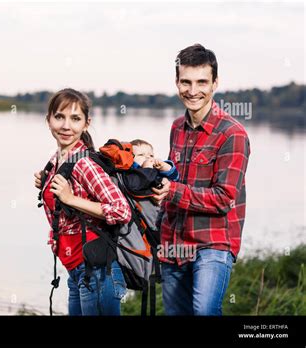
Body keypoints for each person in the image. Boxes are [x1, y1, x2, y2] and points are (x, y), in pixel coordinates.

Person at [151, 44, 251, 316]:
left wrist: (172, 192)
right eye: (186, 82)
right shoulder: (176, 128)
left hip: (213, 243)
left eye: (201, 82)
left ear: (215, 83)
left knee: (205, 312)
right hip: (174, 243)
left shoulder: (233, 134)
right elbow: (174, 182)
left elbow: (224, 199)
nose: (193, 91)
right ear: (177, 82)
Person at [34, 88, 132, 316]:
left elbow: (121, 211)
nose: (66, 126)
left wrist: (71, 198)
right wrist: (45, 182)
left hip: (98, 274)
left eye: (75, 119)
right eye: (59, 117)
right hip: (77, 272)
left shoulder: (84, 164)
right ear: (48, 120)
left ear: (86, 124)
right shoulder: (55, 161)